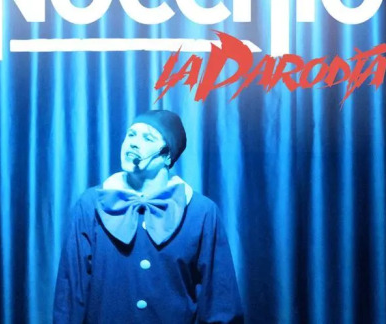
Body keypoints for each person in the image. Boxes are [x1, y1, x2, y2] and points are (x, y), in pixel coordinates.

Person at [53, 109, 244, 323]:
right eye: (131, 134)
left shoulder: (202, 212)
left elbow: (220, 301)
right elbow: (71, 295)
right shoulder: (90, 205)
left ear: (167, 155)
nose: (134, 143)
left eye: (148, 138)